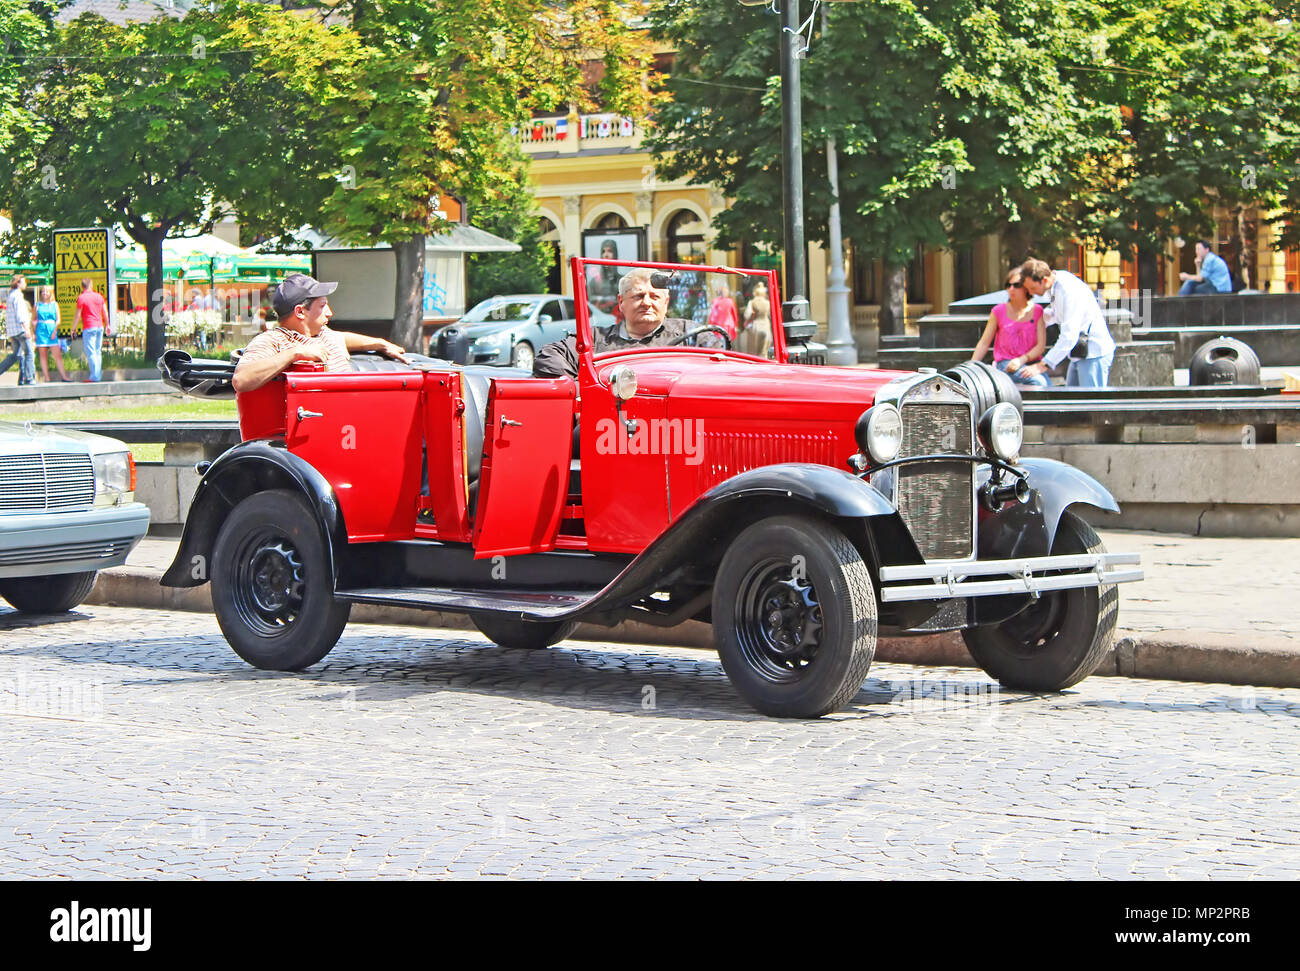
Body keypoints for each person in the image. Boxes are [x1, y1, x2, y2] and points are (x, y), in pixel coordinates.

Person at [232, 272, 409, 393]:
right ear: (300, 312)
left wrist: (380, 343)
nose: (330, 312)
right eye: (323, 306)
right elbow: (241, 380)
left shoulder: (324, 334)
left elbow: (343, 338)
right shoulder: (273, 340)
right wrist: (295, 353)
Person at [533, 267, 691, 379]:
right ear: (621, 302)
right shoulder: (595, 338)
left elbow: (716, 364)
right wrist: (585, 392)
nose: (647, 303)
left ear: (666, 302)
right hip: (610, 422)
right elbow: (549, 357)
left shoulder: (689, 333)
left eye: (655, 297)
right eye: (638, 296)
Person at [1017, 259, 1115, 388]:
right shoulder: (1055, 284)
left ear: (1045, 280)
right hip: (1079, 353)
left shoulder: (1068, 291)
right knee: (1073, 402)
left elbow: (1069, 335)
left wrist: (1043, 365)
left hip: (1093, 354)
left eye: (1033, 288)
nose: (1031, 293)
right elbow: (1059, 314)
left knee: (1092, 405)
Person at [970, 268, 1049, 387]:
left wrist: (1022, 360)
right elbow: (984, 343)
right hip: (1006, 364)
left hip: (1031, 363)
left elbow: (1040, 346)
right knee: (1038, 382)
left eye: (1016, 285)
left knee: (1049, 385)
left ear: (1026, 288)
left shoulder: (1037, 311)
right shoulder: (998, 311)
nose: (1011, 289)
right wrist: (971, 367)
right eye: (1008, 285)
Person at [1, 274, 36, 385]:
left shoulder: (10, 295)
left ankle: (20, 378)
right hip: (20, 330)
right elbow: (20, 314)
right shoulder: (18, 296)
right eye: (24, 282)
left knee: (16, 355)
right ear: (19, 283)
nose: (26, 284)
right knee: (29, 353)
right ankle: (29, 378)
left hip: (12, 331)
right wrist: (26, 329)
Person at [74, 278, 109, 383]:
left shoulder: (81, 298)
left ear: (82, 286)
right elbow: (105, 312)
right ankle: (97, 375)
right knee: (98, 351)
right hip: (100, 326)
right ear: (91, 285)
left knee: (91, 352)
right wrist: (107, 324)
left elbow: (78, 315)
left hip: (89, 327)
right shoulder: (99, 297)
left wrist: (73, 328)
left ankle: (95, 377)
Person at [34, 286, 70, 382]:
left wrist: (55, 331)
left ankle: (64, 376)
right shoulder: (37, 305)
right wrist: (33, 331)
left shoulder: (55, 304)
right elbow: (33, 319)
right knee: (43, 355)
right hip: (41, 330)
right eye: (42, 291)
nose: (44, 293)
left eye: (46, 291)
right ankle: (47, 377)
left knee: (57, 355)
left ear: (50, 293)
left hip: (52, 329)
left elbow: (58, 319)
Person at [736, 280, 773, 358]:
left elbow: (747, 315)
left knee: (754, 350)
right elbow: (770, 315)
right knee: (764, 350)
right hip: (766, 325)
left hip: (756, 325)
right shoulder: (768, 303)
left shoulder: (752, 302)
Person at [586, 240, 622, 314]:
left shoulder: (621, 280)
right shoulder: (594, 282)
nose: (606, 255)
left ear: (615, 254)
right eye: (603, 251)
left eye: (609, 251)